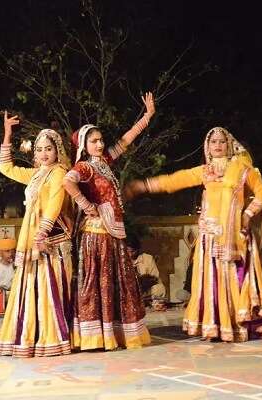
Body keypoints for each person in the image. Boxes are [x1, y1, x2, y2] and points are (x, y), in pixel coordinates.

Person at [124, 126, 262, 342]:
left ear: (229, 144)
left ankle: (238, 324)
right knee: (212, 282)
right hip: (210, 236)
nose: (218, 146)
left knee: (235, 278)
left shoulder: (242, 168)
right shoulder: (205, 171)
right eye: (213, 142)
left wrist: (248, 214)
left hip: (235, 237)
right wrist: (144, 186)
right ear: (207, 147)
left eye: (222, 141)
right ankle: (216, 326)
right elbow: (174, 180)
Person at [62, 92, 155, 351]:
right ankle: (95, 336)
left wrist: (146, 117)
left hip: (112, 232)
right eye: (94, 141)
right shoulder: (85, 167)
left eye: (101, 140)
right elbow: (67, 182)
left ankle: (115, 333)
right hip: (96, 233)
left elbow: (125, 141)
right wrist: (86, 205)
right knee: (99, 281)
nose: (100, 144)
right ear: (84, 144)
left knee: (117, 281)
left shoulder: (104, 162)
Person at [0, 112, 75, 357]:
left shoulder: (60, 172)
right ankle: (29, 337)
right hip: (32, 239)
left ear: (57, 151)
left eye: (48, 149)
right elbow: (6, 167)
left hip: (51, 239)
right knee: (29, 287)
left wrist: (41, 235)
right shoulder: (37, 174)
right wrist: (8, 134)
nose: (43, 154)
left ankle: (51, 339)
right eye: (39, 149)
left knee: (49, 289)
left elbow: (54, 203)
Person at [126, 235, 167, 306]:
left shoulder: (147, 258)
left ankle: (150, 302)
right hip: (128, 291)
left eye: (132, 251)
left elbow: (155, 278)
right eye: (128, 251)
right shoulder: (121, 260)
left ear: (138, 249)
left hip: (145, 291)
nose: (130, 254)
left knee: (159, 288)